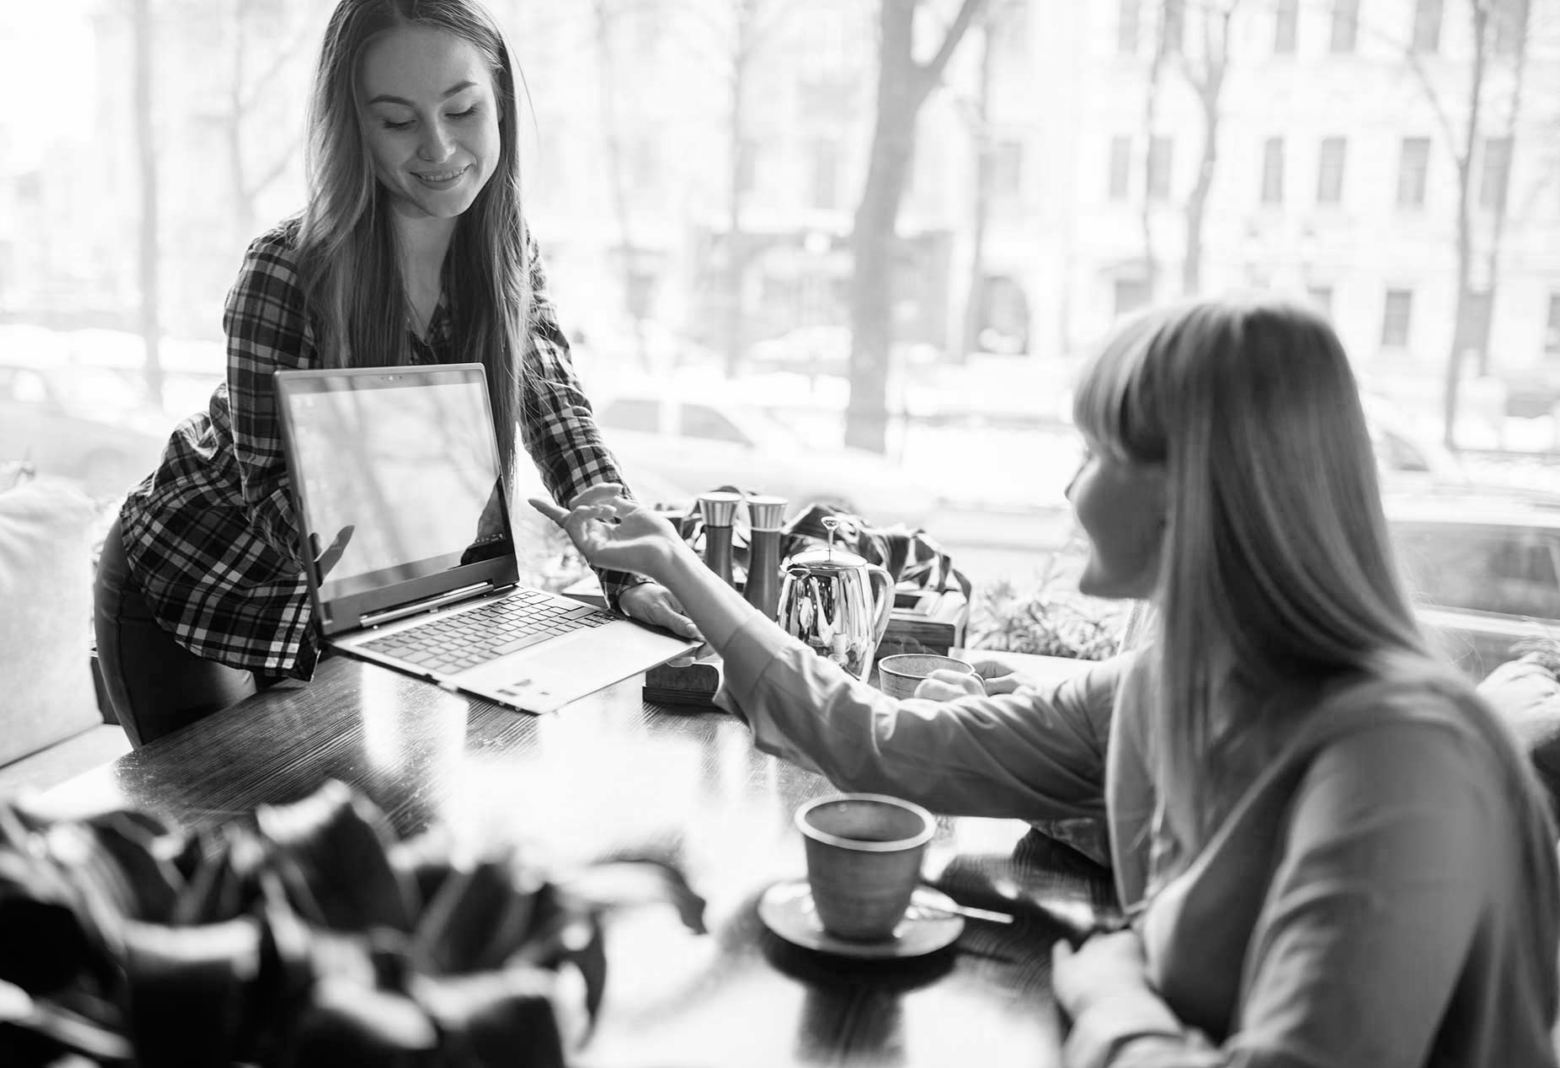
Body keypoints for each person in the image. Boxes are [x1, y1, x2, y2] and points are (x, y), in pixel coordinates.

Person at [536, 297, 1560, 1067]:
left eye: (1096, 448)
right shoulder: (1170, 685)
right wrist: (680, 567)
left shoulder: (1397, 761)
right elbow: (881, 743)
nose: (1068, 486)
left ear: (1192, 491)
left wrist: (1114, 986)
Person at [96, 0, 696, 748]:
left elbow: (558, 415)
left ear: (500, 101)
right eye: (398, 121)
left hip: (338, 612)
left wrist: (631, 574)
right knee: (231, 844)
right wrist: (435, 577)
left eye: (463, 107)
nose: (439, 146)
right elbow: (277, 505)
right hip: (198, 583)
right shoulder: (287, 268)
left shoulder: (505, 252)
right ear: (357, 129)